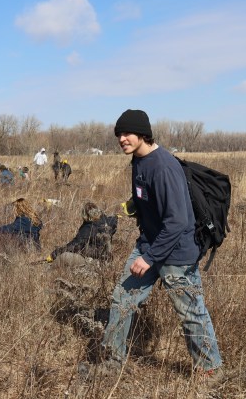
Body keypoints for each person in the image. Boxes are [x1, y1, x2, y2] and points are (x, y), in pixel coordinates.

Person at [97, 109, 223, 382]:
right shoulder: (138, 161)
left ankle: (210, 369)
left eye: (127, 133)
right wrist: (137, 208)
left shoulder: (163, 166)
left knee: (191, 313)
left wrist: (150, 256)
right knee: (123, 298)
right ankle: (111, 362)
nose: (122, 138)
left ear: (143, 134)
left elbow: (177, 222)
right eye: (118, 134)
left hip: (176, 252)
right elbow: (149, 197)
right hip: (150, 245)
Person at [48, 202, 118, 263]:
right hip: (108, 257)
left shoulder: (88, 228)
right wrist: (116, 217)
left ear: (85, 215)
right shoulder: (107, 221)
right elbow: (114, 221)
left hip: (94, 259)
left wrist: (55, 254)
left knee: (65, 257)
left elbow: (74, 245)